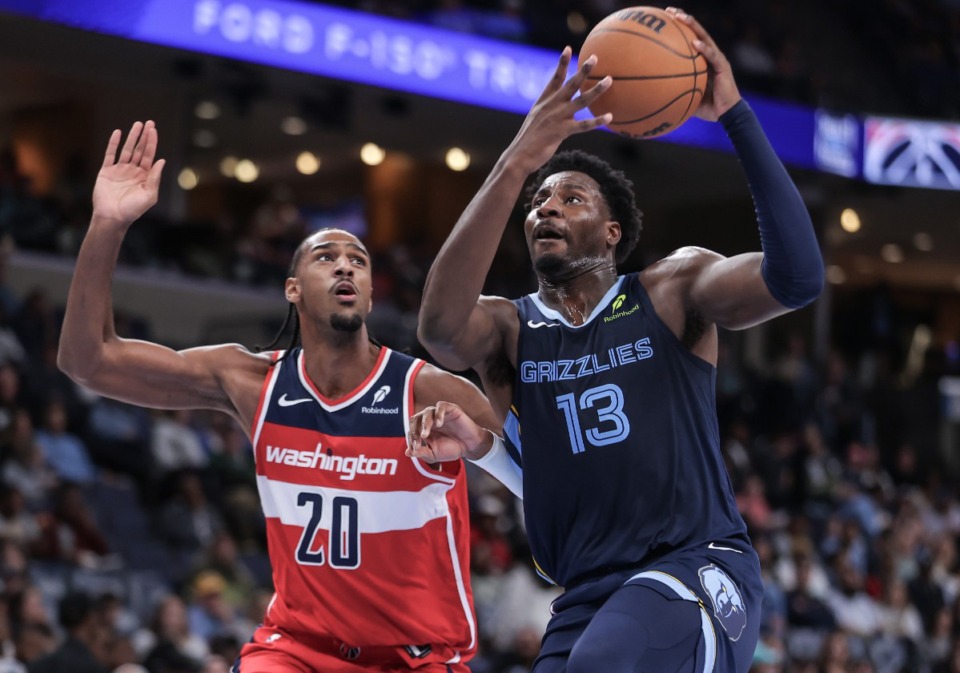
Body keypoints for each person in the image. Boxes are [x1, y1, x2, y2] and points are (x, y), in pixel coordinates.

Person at [412, 7, 824, 673]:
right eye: (538, 200)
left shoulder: (671, 289)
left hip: (695, 569)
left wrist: (736, 116)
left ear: (612, 232)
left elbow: (798, 278)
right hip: (585, 596)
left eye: (570, 198)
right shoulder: (509, 330)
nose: (546, 206)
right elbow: (438, 327)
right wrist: (517, 161)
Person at [57, 121, 500, 672]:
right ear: (292, 289)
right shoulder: (250, 382)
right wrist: (107, 224)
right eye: (326, 257)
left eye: (359, 260)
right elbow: (86, 360)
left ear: (368, 288)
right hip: (297, 650)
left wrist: (482, 443)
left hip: (413, 659)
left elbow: (539, 471)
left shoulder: (427, 391)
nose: (345, 265)